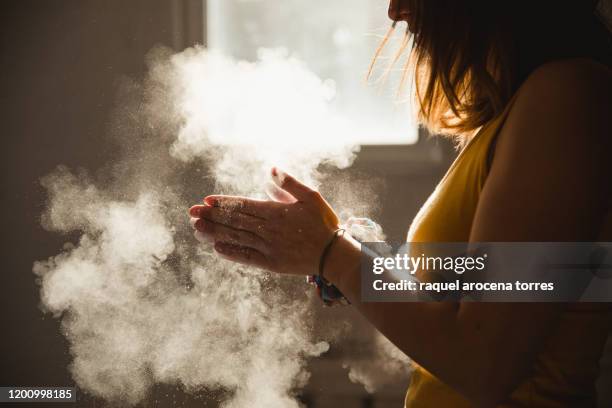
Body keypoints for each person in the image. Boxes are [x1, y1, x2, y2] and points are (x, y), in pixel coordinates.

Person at [189, 0, 612, 406]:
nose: (395, 10)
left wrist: (332, 255)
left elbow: (484, 366)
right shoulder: (523, 108)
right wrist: (363, 259)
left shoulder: (567, 96)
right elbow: (471, 290)